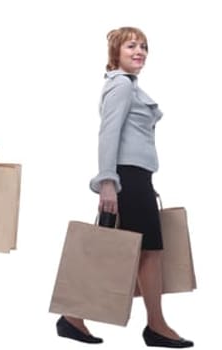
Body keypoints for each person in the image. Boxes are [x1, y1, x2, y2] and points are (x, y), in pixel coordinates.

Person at [55, 26, 194, 349]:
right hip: (125, 177)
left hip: (136, 177)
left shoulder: (131, 87)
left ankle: (73, 316)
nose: (140, 51)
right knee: (149, 250)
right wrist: (107, 182)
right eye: (131, 45)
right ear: (115, 52)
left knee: (118, 249)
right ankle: (156, 325)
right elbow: (108, 134)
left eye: (144, 46)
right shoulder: (120, 86)